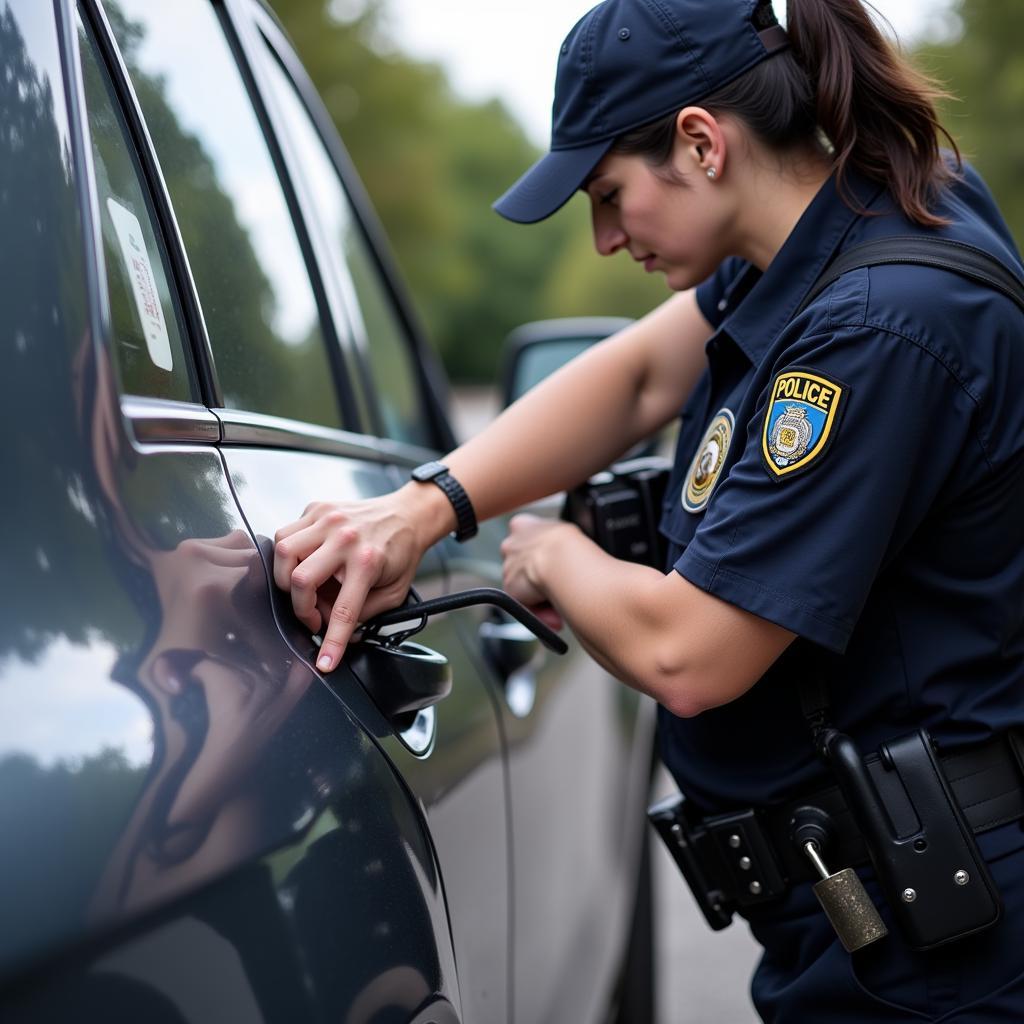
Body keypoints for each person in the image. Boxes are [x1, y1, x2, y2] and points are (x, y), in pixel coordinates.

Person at [273, 0, 1024, 1018]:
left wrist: (549, 556)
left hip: (941, 947)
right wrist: (425, 506)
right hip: (884, 908)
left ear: (702, 143)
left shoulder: (875, 326)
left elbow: (689, 655)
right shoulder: (866, 214)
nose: (605, 233)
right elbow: (632, 378)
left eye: (608, 193)